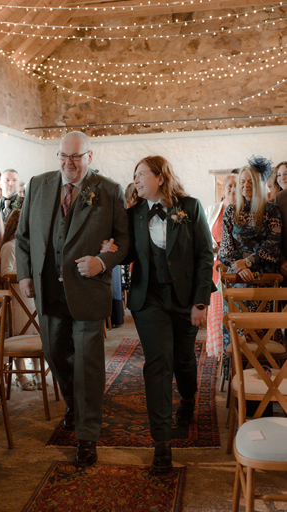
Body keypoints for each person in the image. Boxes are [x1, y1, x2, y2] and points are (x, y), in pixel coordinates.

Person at [15, 131, 130, 467]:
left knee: (87, 364)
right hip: (48, 291)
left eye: (76, 157)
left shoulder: (108, 190)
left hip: (88, 291)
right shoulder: (38, 184)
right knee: (54, 353)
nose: (69, 163)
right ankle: (73, 405)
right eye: (63, 156)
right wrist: (25, 274)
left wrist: (102, 261)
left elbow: (124, 241)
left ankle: (87, 435)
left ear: (89, 157)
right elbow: (23, 236)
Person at [117, 156, 214, 473]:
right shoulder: (134, 214)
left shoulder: (190, 207)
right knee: (158, 363)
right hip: (149, 300)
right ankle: (162, 444)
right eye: (134, 175)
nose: (136, 179)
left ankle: (188, 398)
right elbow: (128, 251)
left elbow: (204, 254)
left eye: (141, 174)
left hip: (185, 298)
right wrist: (111, 247)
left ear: (160, 177)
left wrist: (200, 302)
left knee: (183, 359)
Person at [219, 158, 282, 376]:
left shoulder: (272, 210)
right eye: (242, 182)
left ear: (259, 185)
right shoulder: (230, 211)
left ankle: (265, 379)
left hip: (265, 279)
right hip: (238, 281)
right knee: (239, 333)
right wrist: (239, 267)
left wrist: (249, 262)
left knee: (263, 334)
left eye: (250, 182)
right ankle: (237, 376)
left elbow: (272, 245)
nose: (245, 186)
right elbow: (225, 250)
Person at [0, 209, 42, 390]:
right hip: (17, 297)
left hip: (32, 296)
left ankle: (37, 371)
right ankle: (21, 374)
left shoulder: (33, 245)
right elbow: (5, 272)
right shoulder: (9, 246)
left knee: (36, 333)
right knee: (19, 333)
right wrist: (26, 276)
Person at [204, 171, 238, 358]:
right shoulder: (212, 210)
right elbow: (204, 237)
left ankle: (235, 351)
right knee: (217, 310)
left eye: (235, 185)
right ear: (223, 189)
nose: (232, 189)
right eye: (229, 186)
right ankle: (220, 352)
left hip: (236, 266)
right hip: (216, 265)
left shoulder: (245, 209)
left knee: (234, 311)